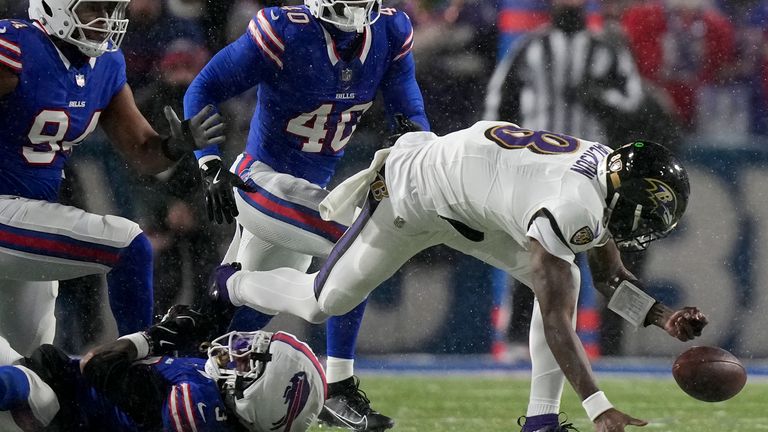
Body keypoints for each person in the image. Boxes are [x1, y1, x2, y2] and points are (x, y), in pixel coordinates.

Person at [205, 121, 709, 432]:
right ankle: (231, 283)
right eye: (651, 218)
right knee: (322, 302)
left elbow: (610, 279)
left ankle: (540, 421)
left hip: (466, 206)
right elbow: (556, 323)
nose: (647, 231)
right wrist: (600, 406)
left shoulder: (599, 181)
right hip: (414, 194)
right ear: (632, 200)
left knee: (566, 282)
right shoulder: (575, 204)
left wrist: (662, 318)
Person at [183, 0, 428, 429]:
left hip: (306, 196)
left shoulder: (390, 32)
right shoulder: (287, 30)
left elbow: (409, 118)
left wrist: (415, 151)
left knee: (230, 331)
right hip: (257, 180)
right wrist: (207, 162)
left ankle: (179, 373)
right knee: (355, 242)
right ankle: (339, 387)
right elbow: (202, 87)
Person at [0, 0, 223, 356]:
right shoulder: (14, 49)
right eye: (92, 9)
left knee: (31, 372)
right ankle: (138, 367)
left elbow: (143, 153)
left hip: (28, 220)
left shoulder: (105, 64)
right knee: (129, 245)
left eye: (112, 9)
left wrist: (176, 144)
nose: (106, 20)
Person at [0, 311, 326, 431]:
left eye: (247, 359)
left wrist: (152, 337)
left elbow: (96, 365)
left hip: (60, 412)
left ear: (262, 396)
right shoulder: (216, 394)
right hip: (63, 387)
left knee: (31, 389)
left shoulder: (199, 409)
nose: (236, 350)